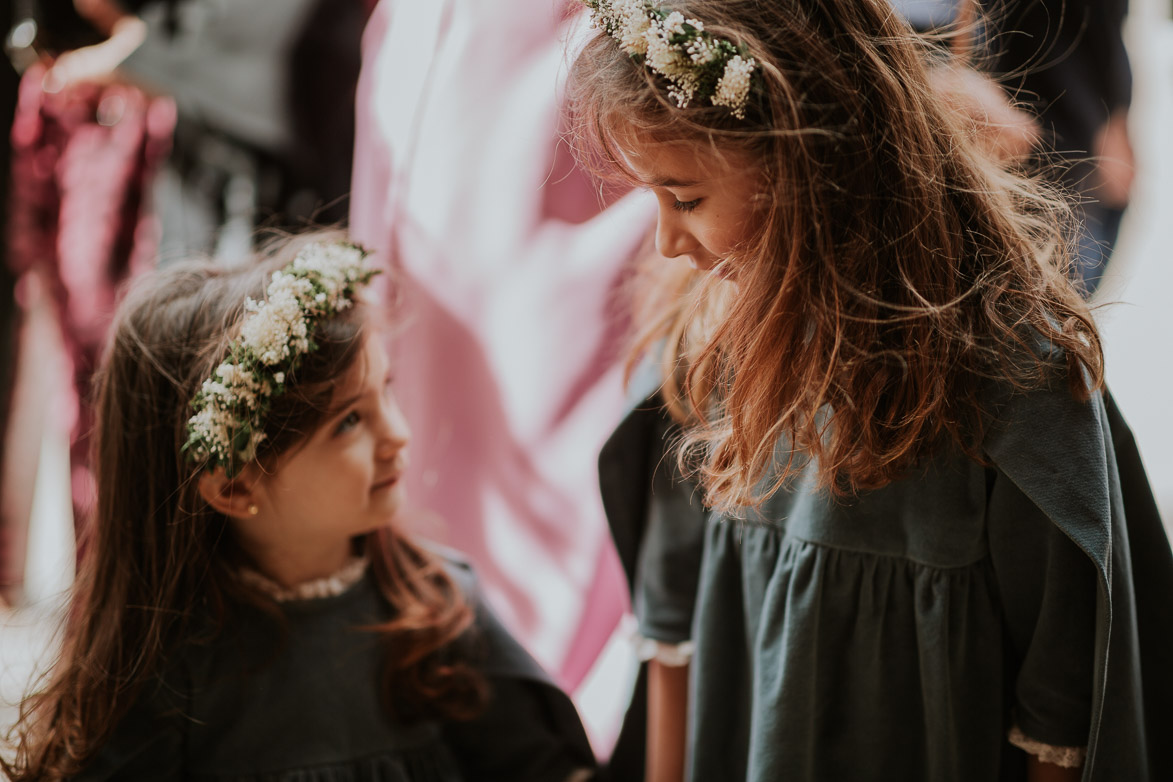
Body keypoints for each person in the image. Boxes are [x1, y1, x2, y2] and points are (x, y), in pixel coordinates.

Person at [567, 1, 1173, 781]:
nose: (664, 242)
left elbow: (1060, 714)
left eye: (684, 198)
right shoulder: (703, 347)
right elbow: (669, 631)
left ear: (809, 163)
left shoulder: (1011, 385)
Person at [0, 234, 596, 781]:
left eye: (383, 390)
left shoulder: (436, 610)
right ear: (234, 488)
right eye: (350, 422)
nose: (398, 436)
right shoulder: (170, 679)